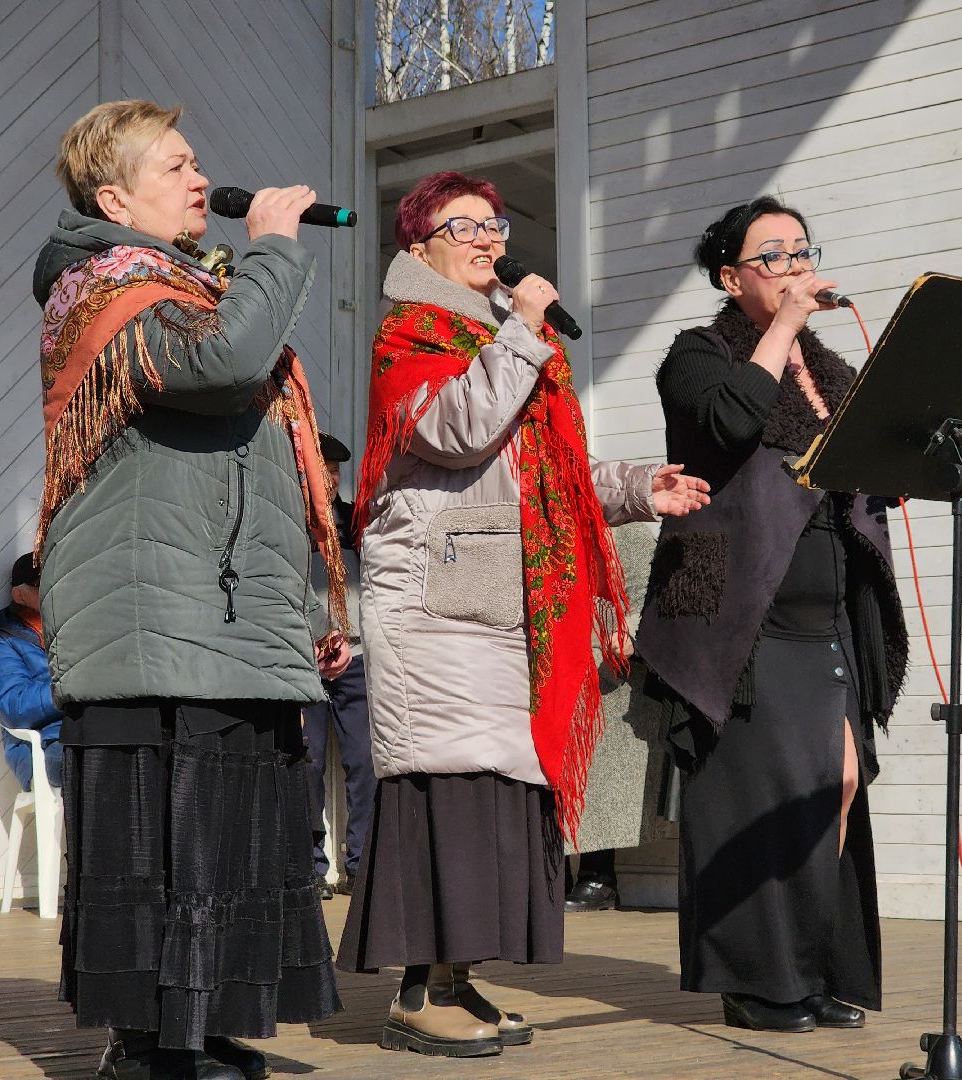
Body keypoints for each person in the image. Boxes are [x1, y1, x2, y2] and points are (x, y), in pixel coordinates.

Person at [335, 170, 710, 1059]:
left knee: (495, 796)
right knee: (447, 789)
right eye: (463, 226)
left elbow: (545, 475)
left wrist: (632, 488)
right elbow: (460, 430)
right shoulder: (409, 336)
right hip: (438, 609)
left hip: (498, 603)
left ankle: (459, 981)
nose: (488, 241)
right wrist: (525, 328)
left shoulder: (500, 338)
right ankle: (417, 991)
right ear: (418, 245)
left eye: (494, 226)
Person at [33, 99, 347, 1080]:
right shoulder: (104, 290)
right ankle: (150, 1048)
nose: (200, 179)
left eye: (198, 159)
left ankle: (205, 1032)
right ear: (114, 195)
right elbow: (224, 367)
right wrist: (272, 250)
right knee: (165, 839)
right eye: (175, 166)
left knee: (230, 838)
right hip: (153, 619)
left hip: (226, 616)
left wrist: (301, 613)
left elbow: (246, 465)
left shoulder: (190, 286)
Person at [635, 197, 909, 1034]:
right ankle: (759, 981)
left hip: (830, 617)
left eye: (801, 250)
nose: (795, 266)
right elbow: (730, 420)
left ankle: (811, 966)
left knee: (837, 787)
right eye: (773, 255)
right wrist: (784, 326)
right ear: (730, 277)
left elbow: (874, 458)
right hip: (742, 621)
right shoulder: (698, 355)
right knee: (759, 800)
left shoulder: (828, 370)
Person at [564, 522, 671, 913]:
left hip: (612, 671)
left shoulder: (636, 535)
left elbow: (654, 597)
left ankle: (599, 876)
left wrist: (630, 633)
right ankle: (554, 873)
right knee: (550, 774)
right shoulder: (551, 531)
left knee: (602, 776)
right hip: (559, 666)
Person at [304, 432, 376, 901]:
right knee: (304, 762)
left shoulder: (356, 521)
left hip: (356, 658)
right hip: (303, 661)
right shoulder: (288, 521)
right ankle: (309, 864)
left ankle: (363, 862)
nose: (329, 478)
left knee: (365, 762)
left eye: (334, 471)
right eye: (322, 468)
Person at [0, 552, 63, 792]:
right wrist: (70, 690)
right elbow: (12, 707)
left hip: (90, 734)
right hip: (47, 747)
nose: (56, 589)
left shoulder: (79, 633)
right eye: (44, 584)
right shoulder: (0, 645)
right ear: (19, 595)